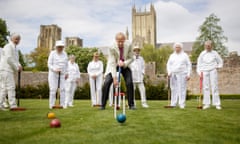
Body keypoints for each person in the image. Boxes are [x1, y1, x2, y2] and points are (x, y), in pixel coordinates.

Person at [100, 32, 134, 110]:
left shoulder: (128, 45)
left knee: (129, 82)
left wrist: (124, 63)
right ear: (116, 40)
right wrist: (115, 78)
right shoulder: (111, 47)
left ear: (125, 40)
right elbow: (112, 63)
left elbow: (131, 58)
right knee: (107, 82)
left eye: (122, 41)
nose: (121, 43)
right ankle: (103, 105)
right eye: (119, 41)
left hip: (125, 65)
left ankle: (131, 104)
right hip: (114, 65)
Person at [197, 40, 223, 110]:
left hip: (213, 70)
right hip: (204, 71)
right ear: (204, 46)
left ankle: (217, 104)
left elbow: (220, 62)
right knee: (206, 87)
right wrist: (199, 73)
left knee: (214, 87)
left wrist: (217, 67)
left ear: (211, 46)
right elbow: (199, 64)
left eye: (209, 46)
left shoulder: (215, 53)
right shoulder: (202, 54)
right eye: (206, 46)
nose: (208, 47)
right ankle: (207, 104)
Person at [0, 33, 22, 110]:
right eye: (16, 39)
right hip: (6, 69)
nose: (17, 40)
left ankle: (0, 104)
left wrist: (19, 65)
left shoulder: (16, 49)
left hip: (9, 70)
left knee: (4, 88)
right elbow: (9, 59)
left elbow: (16, 60)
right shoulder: (8, 47)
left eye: (18, 39)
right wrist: (16, 67)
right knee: (10, 87)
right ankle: (13, 105)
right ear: (11, 39)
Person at [167, 42, 191, 109]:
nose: (177, 48)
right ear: (174, 48)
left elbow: (189, 65)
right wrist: (169, 72)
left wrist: (188, 74)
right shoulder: (172, 55)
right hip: (173, 74)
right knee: (173, 89)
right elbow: (168, 65)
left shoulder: (185, 55)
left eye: (178, 47)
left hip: (182, 74)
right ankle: (173, 103)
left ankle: (181, 104)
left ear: (181, 48)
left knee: (182, 89)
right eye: (176, 47)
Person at [47, 40, 68, 109]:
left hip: (62, 74)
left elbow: (66, 64)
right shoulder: (52, 53)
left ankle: (62, 104)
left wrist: (67, 73)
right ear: (56, 47)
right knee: (53, 89)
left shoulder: (65, 54)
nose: (60, 48)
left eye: (61, 47)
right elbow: (49, 64)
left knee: (63, 89)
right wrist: (54, 69)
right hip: (53, 74)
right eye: (59, 47)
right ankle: (52, 105)